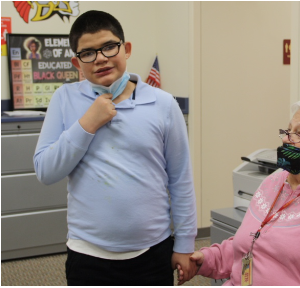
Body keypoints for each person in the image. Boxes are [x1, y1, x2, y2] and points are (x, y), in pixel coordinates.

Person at [33, 10, 197, 286]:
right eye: (88, 53)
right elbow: (45, 170)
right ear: (77, 61)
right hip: (87, 254)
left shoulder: (163, 103)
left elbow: (180, 180)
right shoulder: (64, 99)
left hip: (152, 252)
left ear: (126, 48)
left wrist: (184, 243)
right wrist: (87, 124)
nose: (100, 58)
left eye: (109, 46)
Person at [177, 100, 300, 285]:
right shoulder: (274, 180)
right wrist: (207, 259)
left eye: (299, 134)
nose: (287, 138)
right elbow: (248, 244)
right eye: (288, 130)